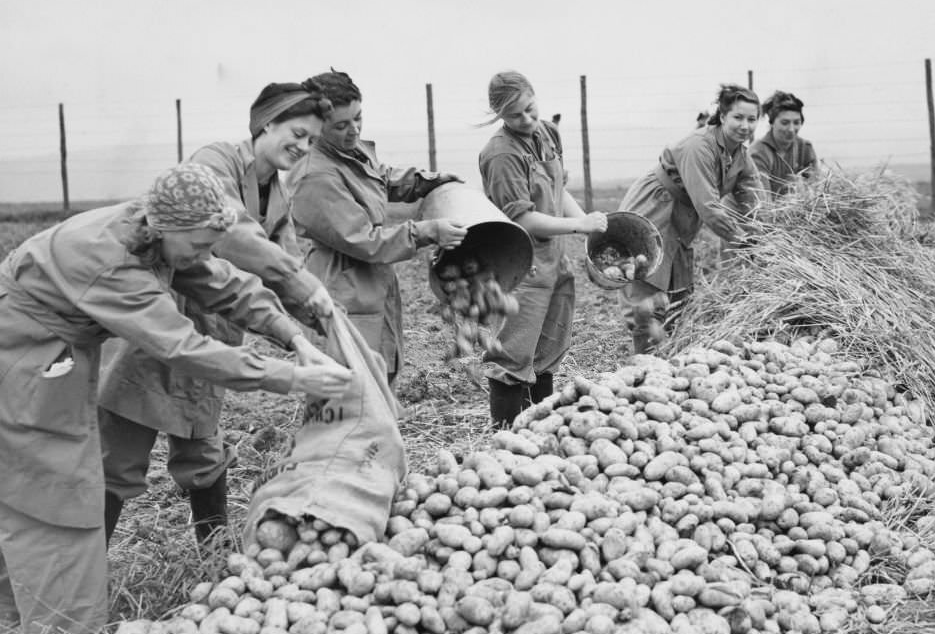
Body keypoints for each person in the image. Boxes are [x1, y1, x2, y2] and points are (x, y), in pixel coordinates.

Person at [0, 162, 353, 634]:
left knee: (38, 484)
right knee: (54, 489)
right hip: (23, 355)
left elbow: (223, 283)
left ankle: (17, 607)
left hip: (57, 350)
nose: (205, 255)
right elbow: (182, 346)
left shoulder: (158, 234)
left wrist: (294, 337)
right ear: (168, 228)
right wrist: (289, 377)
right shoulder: (112, 261)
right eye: (200, 244)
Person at [98, 82, 336, 548]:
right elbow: (234, 238)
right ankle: (85, 568)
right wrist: (297, 283)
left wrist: (322, 320)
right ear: (267, 122)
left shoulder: (278, 194)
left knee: (201, 445)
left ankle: (213, 553)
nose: (302, 146)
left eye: (311, 140)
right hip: (168, 317)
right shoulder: (216, 161)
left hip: (219, 332)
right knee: (121, 452)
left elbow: (288, 270)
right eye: (297, 132)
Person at [290, 69, 468, 386]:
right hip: (343, 287)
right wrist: (426, 231)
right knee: (353, 391)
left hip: (371, 285)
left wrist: (427, 182)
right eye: (341, 125)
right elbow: (365, 241)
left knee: (380, 380)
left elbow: (378, 178)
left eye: (358, 118)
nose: (354, 130)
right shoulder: (314, 176)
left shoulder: (347, 152)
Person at [477, 71, 607, 429]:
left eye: (530, 108)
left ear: (536, 98)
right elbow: (526, 219)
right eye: (516, 115)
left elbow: (556, 189)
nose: (527, 119)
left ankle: (538, 428)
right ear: (499, 115)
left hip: (553, 259)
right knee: (514, 352)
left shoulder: (548, 133)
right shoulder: (501, 155)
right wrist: (579, 225)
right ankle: (504, 436)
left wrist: (588, 228)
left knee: (547, 348)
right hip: (521, 264)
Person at [619, 84, 762, 354]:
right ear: (722, 116)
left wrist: (765, 235)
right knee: (645, 296)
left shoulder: (740, 156)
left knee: (678, 299)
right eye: (738, 117)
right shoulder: (699, 146)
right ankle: (643, 367)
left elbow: (754, 199)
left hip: (682, 218)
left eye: (751, 119)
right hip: (654, 208)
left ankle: (671, 365)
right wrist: (743, 241)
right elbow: (709, 207)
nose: (745, 125)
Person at [749, 90, 818, 199]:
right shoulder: (758, 153)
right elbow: (763, 201)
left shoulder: (805, 148)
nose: (791, 129)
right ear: (772, 123)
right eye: (785, 123)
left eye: (796, 122)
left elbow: (814, 189)